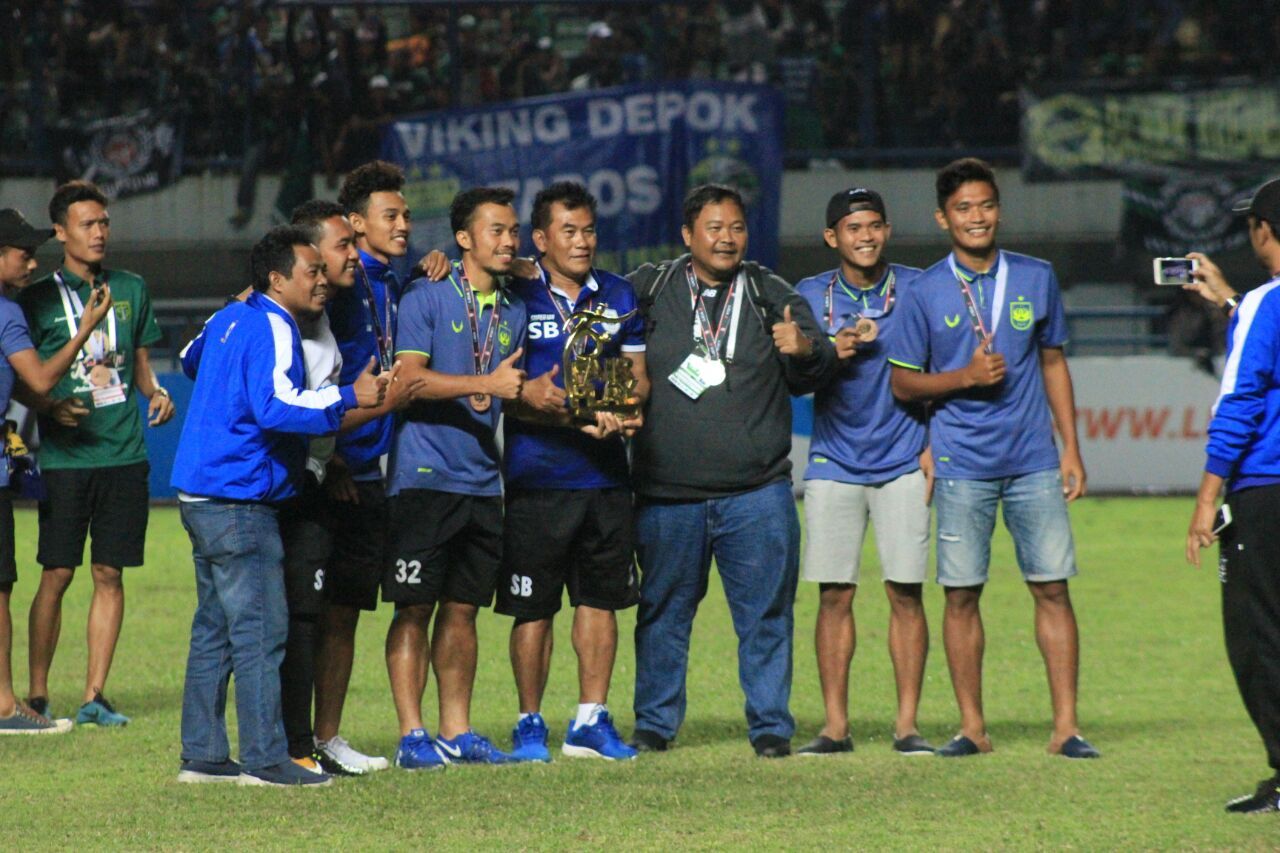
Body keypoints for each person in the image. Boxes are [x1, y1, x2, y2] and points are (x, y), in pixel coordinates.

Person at [422, 181, 649, 762]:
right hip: (535, 476)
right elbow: (514, 389)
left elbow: (639, 383)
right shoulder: (517, 293)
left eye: (589, 230)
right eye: (567, 232)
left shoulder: (619, 295)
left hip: (605, 479)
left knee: (600, 601)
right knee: (533, 606)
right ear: (543, 239)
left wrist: (600, 410)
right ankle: (530, 722)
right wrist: (575, 409)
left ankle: (590, 720)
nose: (581, 242)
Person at [888, 158, 1098, 759]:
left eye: (985, 205)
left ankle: (1066, 728)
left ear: (998, 209)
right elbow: (904, 385)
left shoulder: (1035, 276)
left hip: (1033, 458)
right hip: (960, 463)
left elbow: (1053, 361)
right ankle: (972, 729)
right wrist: (964, 377)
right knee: (961, 595)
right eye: (963, 208)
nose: (976, 217)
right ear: (942, 218)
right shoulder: (924, 290)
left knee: (1052, 588)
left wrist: (1072, 447)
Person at [626, 184, 838, 758]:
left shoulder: (773, 292)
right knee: (662, 616)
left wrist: (805, 350)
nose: (727, 237)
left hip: (758, 495)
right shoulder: (652, 286)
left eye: (737, 226)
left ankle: (770, 726)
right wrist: (524, 267)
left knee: (766, 616)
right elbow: (584, 300)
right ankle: (654, 724)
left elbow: (819, 366)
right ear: (688, 234)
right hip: (667, 495)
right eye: (715, 227)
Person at [171, 226, 385, 786]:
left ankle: (204, 755)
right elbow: (277, 406)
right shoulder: (274, 323)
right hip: (240, 498)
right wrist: (349, 397)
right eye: (310, 271)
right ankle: (267, 759)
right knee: (262, 631)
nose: (321, 281)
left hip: (198, 493)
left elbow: (190, 358)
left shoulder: (229, 316)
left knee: (213, 629)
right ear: (276, 279)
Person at [19, 181, 176, 726]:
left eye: (104, 222)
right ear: (60, 232)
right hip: (67, 458)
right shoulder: (35, 297)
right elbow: (19, 373)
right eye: (88, 224)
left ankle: (94, 695)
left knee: (110, 573)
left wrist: (155, 390)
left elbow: (137, 360)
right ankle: (37, 693)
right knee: (57, 573)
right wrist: (44, 405)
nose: (100, 232)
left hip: (125, 454)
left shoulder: (131, 286)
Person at [383, 187, 527, 769]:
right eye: (496, 230)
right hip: (423, 477)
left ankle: (456, 730)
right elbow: (408, 383)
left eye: (513, 230)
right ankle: (412, 736)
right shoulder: (425, 295)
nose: (508, 240)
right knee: (414, 607)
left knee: (464, 609)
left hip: (482, 482)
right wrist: (484, 385)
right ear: (463, 239)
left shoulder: (515, 307)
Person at [792, 189, 934, 757]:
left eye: (874, 225)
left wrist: (935, 444)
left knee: (905, 592)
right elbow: (795, 371)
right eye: (853, 228)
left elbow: (944, 362)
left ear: (888, 230)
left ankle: (908, 727)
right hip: (833, 460)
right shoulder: (809, 294)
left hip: (905, 458)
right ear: (833, 237)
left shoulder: (920, 286)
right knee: (834, 595)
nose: (865, 236)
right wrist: (830, 350)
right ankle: (834, 726)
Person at [310, 162, 413, 776]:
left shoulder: (390, 283)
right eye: (390, 216)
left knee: (347, 610)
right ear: (354, 223)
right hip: (334, 469)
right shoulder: (337, 288)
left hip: (371, 470)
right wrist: (335, 457)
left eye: (405, 215)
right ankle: (297, 737)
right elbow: (317, 376)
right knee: (313, 613)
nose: (403, 225)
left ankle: (328, 736)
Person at [1185, 177, 1280, 813]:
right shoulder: (1258, 306)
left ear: (1263, 232)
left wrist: (1204, 497)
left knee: (1258, 637)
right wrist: (1233, 307)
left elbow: (1241, 402)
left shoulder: (1266, 305)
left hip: (1266, 494)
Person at [0, 208, 110, 734]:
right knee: (0, 587)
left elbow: (17, 385)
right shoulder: (7, 311)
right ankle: (2, 704)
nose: (31, 260)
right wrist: (85, 327)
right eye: (23, 251)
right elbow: (40, 379)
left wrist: (37, 410)